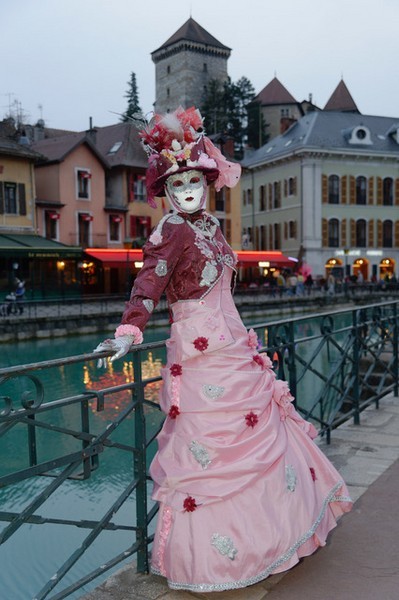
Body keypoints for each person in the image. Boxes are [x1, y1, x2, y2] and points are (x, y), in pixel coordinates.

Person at [93, 107, 352, 593]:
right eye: (178, 185)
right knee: (210, 457)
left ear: (205, 183)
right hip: (198, 354)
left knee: (263, 442)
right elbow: (149, 283)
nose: (188, 191)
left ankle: (277, 539)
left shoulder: (211, 227)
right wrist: (129, 331)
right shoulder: (170, 231)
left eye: (194, 180)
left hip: (233, 346)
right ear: (167, 192)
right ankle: (215, 561)